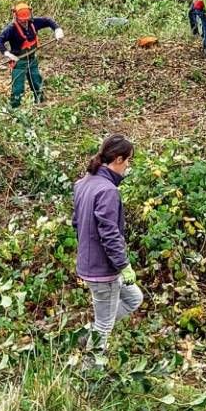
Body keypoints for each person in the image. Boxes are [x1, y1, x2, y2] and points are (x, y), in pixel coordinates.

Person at [72, 134, 141, 361]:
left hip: (90, 264)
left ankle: (84, 338)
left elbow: (76, 223)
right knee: (104, 325)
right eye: (128, 160)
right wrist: (123, 265)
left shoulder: (83, 184)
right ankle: (90, 374)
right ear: (118, 159)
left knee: (133, 298)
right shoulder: (108, 191)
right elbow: (110, 234)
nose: (128, 166)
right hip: (103, 270)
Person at [0, 2, 64, 109]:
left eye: (26, 19)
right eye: (22, 20)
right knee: (17, 89)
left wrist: (57, 29)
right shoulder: (11, 29)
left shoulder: (33, 23)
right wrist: (7, 53)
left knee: (37, 83)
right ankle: (15, 109)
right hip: (19, 62)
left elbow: (48, 21)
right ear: (16, 16)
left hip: (32, 60)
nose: (24, 21)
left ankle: (40, 106)